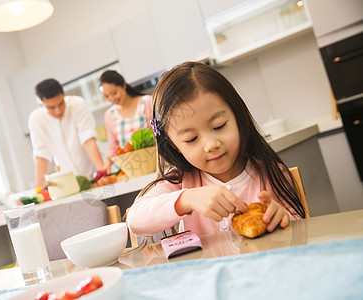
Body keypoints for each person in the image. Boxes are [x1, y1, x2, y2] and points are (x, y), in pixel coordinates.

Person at [127, 62, 306, 238]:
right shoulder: (181, 182)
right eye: (191, 139)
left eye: (219, 126)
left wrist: (283, 220)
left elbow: (302, 235)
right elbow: (135, 219)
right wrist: (187, 199)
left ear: (237, 116)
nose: (211, 144)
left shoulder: (271, 175)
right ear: (175, 145)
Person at [29, 78, 106, 187]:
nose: (58, 111)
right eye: (51, 107)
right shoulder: (36, 119)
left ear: (63, 95)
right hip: (67, 183)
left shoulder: (77, 104)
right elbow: (41, 155)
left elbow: (88, 139)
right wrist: (39, 192)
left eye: (61, 104)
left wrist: (102, 172)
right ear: (41, 104)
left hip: (93, 175)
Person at [99, 70, 152, 164]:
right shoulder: (109, 115)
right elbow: (113, 147)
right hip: (130, 167)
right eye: (106, 96)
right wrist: (107, 164)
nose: (111, 99)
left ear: (123, 85)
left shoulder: (147, 102)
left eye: (114, 93)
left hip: (153, 161)